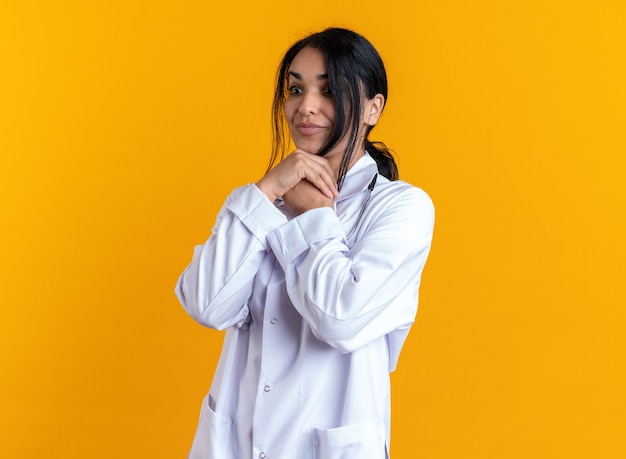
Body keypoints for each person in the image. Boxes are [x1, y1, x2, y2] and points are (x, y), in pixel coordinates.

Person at [175, 27, 435, 459]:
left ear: (374, 108)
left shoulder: (403, 209)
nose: (306, 107)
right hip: (236, 444)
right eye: (296, 89)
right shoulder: (261, 204)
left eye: (329, 90)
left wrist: (315, 215)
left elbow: (340, 318)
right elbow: (206, 304)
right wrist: (265, 190)